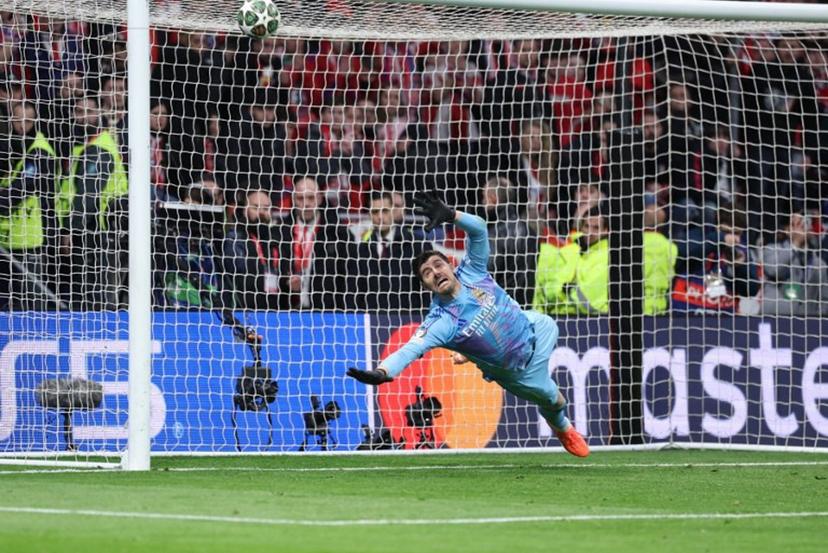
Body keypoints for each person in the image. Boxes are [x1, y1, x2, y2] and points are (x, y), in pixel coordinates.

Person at [346, 192, 590, 458]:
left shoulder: (473, 270)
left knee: (547, 322)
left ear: (450, 265)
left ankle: (468, 351)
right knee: (555, 400)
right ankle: (563, 427)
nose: (436, 272)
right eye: (427, 273)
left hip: (536, 327)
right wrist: (382, 373)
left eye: (438, 265)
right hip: (517, 370)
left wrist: (452, 215)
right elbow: (409, 350)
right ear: (426, 286)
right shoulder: (441, 322)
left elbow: (479, 231)